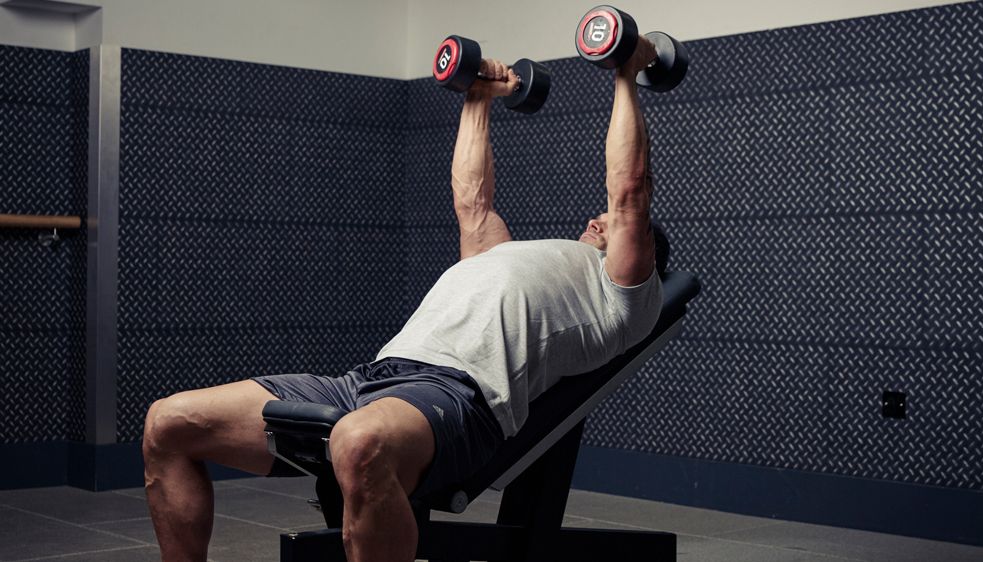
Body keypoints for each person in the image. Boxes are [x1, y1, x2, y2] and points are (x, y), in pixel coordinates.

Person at [142, 36, 667, 562]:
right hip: (369, 381)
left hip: (462, 399)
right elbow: (473, 201)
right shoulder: (504, 254)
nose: (595, 220)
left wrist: (625, 72)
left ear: (642, 256)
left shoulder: (621, 295)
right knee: (168, 423)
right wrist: (479, 96)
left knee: (358, 442)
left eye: (608, 229)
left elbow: (628, 192)